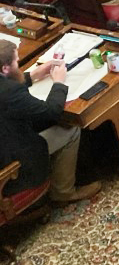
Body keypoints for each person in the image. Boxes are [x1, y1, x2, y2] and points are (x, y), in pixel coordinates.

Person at [0, 40, 101, 204]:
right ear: (5, 68)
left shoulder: (6, 88)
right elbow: (51, 112)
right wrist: (59, 82)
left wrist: (33, 75)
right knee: (70, 129)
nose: (18, 64)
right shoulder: (9, 92)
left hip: (7, 142)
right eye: (16, 62)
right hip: (14, 168)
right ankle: (64, 193)